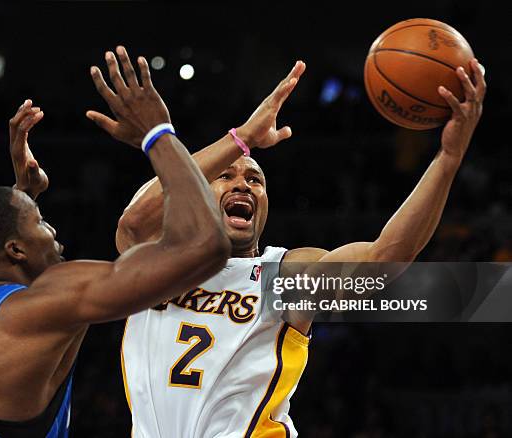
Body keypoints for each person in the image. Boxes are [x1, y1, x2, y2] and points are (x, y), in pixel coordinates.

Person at [107, 46, 487, 437]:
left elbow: (386, 256)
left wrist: (448, 157)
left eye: (255, 180)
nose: (243, 183)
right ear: (195, 193)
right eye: (226, 176)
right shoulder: (158, 266)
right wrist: (240, 140)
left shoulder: (280, 277)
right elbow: (134, 222)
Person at [0, 48, 231, 437]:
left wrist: (22, 194)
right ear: (14, 250)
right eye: (39, 222)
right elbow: (203, 246)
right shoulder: (38, 308)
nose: (53, 231)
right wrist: (157, 133)